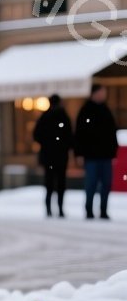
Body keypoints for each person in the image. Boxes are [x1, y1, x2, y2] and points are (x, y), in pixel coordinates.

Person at [74, 84, 117, 221]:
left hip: (105, 155)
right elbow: (79, 134)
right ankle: (89, 210)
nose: (103, 95)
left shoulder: (106, 110)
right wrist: (79, 153)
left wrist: (113, 153)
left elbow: (112, 133)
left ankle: (103, 210)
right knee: (91, 184)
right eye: (101, 92)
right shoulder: (86, 110)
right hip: (91, 155)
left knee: (106, 184)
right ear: (94, 93)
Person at [33, 94, 72, 218]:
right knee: (60, 183)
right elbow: (70, 136)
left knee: (49, 182)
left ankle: (49, 208)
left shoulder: (45, 117)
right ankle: (59, 208)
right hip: (59, 155)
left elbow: (36, 135)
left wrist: (46, 143)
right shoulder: (62, 116)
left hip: (49, 155)